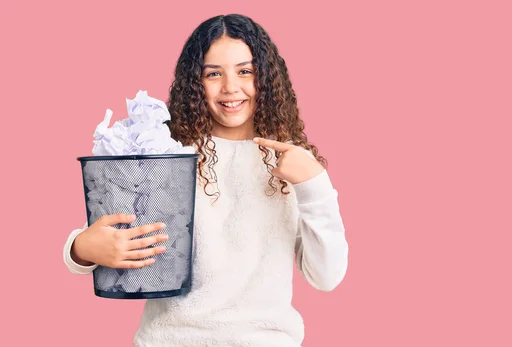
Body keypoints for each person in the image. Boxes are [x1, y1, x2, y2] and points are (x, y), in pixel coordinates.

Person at [62, 13, 349, 347]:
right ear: (195, 82)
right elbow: (110, 232)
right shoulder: (167, 153)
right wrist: (81, 248)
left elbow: (326, 276)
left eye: (246, 71)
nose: (230, 87)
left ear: (268, 78)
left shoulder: (292, 164)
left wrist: (314, 184)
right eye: (214, 74)